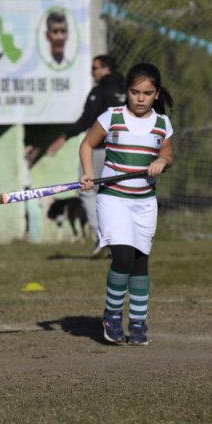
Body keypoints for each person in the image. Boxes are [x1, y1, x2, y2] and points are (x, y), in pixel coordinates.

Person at [79, 63, 174, 346]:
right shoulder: (112, 117)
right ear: (127, 92)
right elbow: (87, 145)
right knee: (121, 256)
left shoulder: (162, 124)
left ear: (156, 94)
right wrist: (88, 172)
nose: (140, 98)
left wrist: (161, 161)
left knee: (140, 261)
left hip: (144, 203)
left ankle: (138, 323)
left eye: (147, 93)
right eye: (135, 92)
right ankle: (111, 317)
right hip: (113, 199)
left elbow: (168, 154)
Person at [48, 55, 126, 256]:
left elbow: (87, 119)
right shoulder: (129, 90)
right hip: (124, 150)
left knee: (87, 190)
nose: (92, 72)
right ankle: (121, 239)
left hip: (99, 148)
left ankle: (103, 238)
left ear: (106, 68)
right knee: (115, 194)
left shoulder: (99, 92)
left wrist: (64, 136)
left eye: (95, 68)